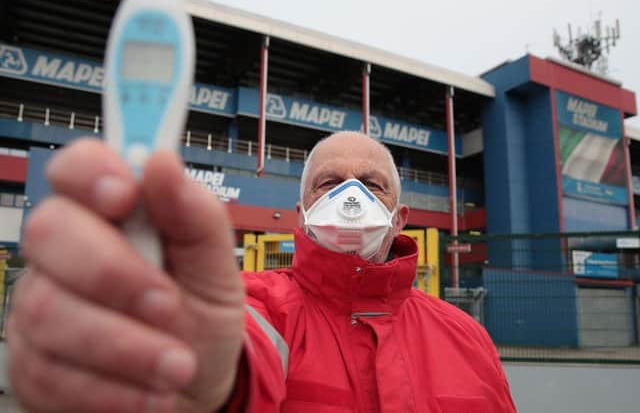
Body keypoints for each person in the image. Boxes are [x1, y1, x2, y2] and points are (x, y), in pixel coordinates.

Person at [8, 131, 516, 412]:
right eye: (330, 183)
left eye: (371, 185)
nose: (350, 198)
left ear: (398, 216)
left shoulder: (467, 338)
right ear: (301, 213)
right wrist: (202, 377)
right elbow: (235, 345)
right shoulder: (256, 305)